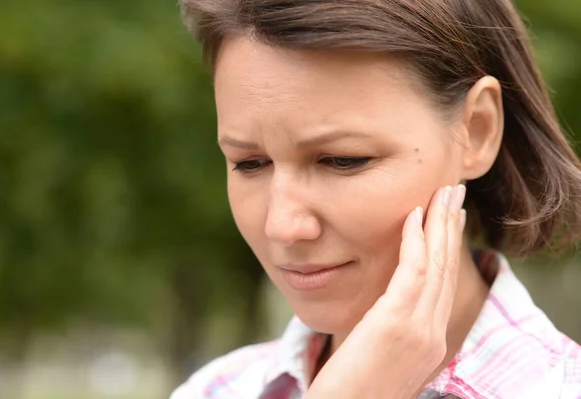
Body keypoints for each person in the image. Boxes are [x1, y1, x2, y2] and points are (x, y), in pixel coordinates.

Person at [171, 0, 581, 398]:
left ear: (476, 129)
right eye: (250, 163)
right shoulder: (215, 389)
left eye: (342, 160)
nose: (283, 225)